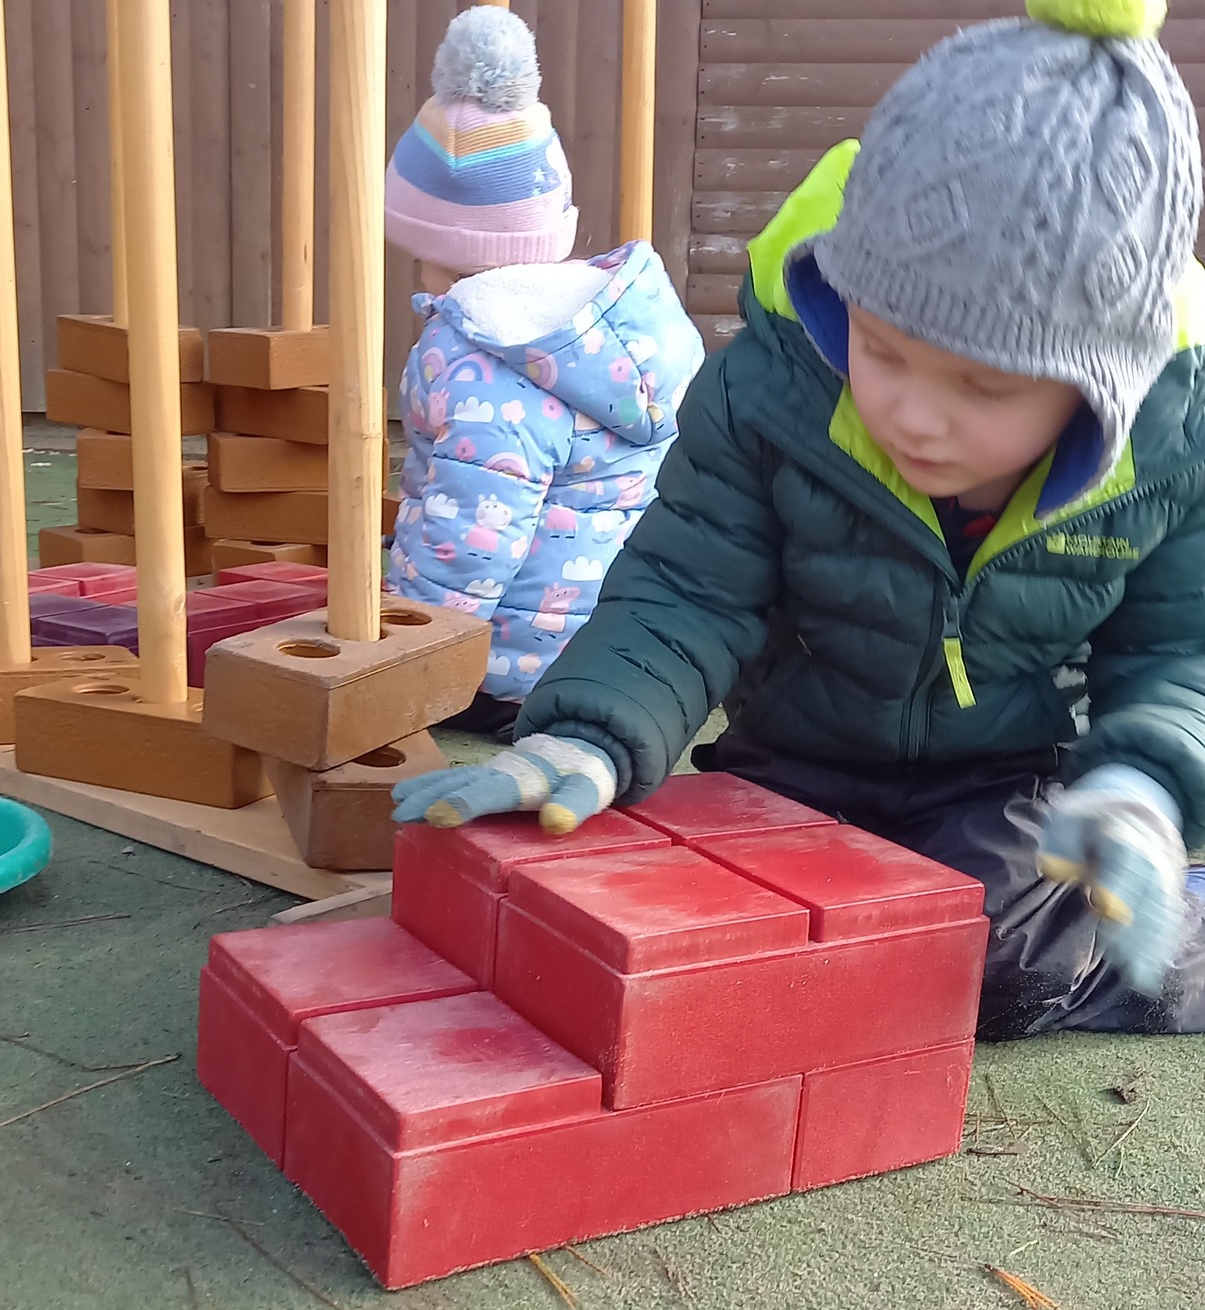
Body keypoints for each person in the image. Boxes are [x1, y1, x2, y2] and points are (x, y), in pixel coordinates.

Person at [394, 0, 1205, 1041]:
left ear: (1103, 389)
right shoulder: (771, 395)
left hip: (1006, 776)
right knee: (711, 939)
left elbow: (1179, 649)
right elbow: (687, 586)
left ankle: (1161, 946)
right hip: (801, 755)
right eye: (885, 350)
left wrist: (1143, 781)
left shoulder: (1167, 451)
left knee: (984, 966)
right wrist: (590, 734)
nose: (915, 415)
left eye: (985, 387)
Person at [382, 5, 704, 741]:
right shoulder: (607, 331)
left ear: (446, 252)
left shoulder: (479, 363)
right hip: (612, 649)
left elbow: (472, 534)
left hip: (509, 668)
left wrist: (411, 653)